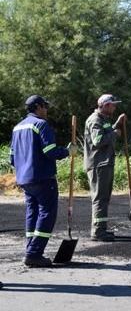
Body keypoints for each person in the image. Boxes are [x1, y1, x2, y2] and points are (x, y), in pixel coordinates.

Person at [10, 95, 76, 267]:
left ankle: (30, 250)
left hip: (25, 180)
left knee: (32, 213)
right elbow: (50, 151)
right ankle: (34, 254)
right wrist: (68, 151)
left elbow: (12, 158)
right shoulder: (41, 124)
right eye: (45, 106)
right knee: (47, 214)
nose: (46, 109)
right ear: (38, 107)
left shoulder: (17, 128)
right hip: (43, 178)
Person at [84, 94, 125, 242]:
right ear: (106, 105)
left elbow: (106, 133)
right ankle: (98, 232)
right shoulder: (95, 120)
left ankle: (101, 229)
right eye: (113, 105)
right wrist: (115, 133)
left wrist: (117, 124)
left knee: (103, 198)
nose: (115, 107)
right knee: (100, 198)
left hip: (104, 163)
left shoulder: (104, 120)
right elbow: (98, 141)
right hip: (98, 164)